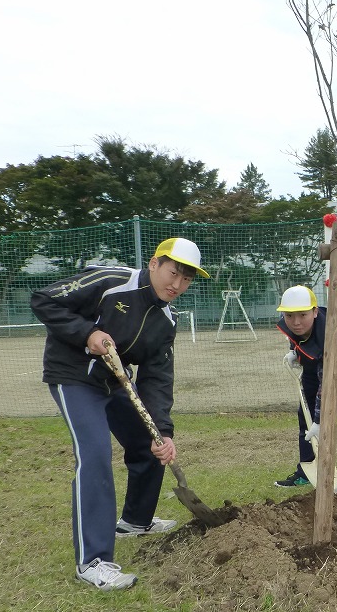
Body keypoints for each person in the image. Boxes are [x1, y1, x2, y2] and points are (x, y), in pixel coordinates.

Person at [30, 238, 209, 591]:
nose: (177, 285)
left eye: (186, 280)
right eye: (173, 273)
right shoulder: (112, 281)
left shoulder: (166, 320)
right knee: (95, 456)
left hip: (116, 379)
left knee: (148, 443)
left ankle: (135, 521)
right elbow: (45, 299)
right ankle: (92, 562)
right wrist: (88, 333)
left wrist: (164, 431)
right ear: (156, 264)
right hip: (74, 377)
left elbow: (158, 378)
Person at [275, 285, 337, 494]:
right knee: (306, 421)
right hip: (314, 367)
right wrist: (295, 352)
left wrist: (320, 420)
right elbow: (298, 339)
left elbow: (326, 382)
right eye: (290, 316)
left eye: (303, 315)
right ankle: (306, 470)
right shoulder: (291, 324)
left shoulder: (332, 334)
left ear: (315, 312)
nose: (296, 322)